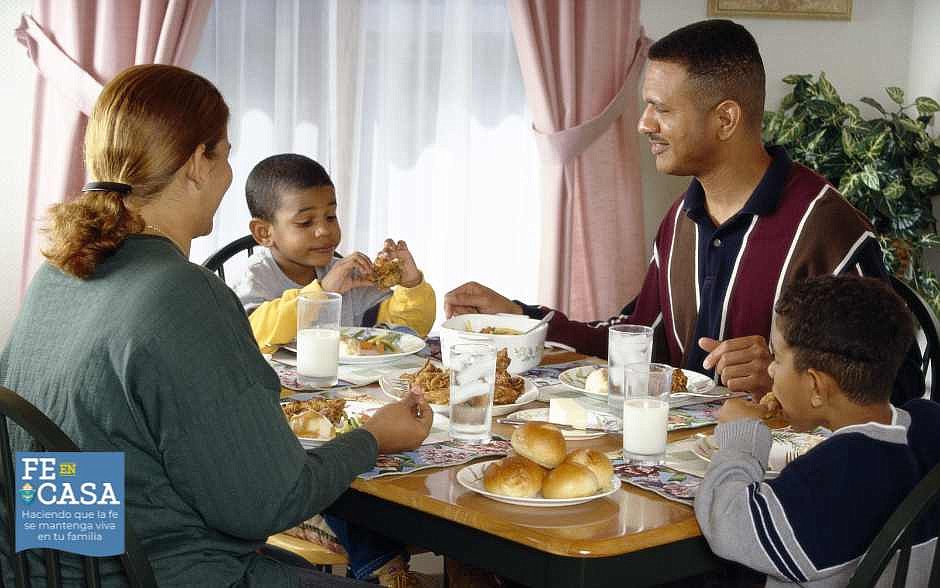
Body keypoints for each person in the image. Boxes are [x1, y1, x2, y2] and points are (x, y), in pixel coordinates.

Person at [0, 64, 432, 587]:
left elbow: (77, 463)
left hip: (51, 569)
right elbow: (267, 502)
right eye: (225, 154)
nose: (228, 174)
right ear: (196, 165)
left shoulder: (60, 274)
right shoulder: (181, 292)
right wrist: (371, 438)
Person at [443, 19, 923, 405]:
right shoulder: (682, 218)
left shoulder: (826, 229)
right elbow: (641, 340)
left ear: (726, 118)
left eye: (661, 110)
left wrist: (780, 368)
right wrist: (522, 318)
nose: (642, 124)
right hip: (685, 465)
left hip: (782, 486)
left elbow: (898, 394)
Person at [695, 275, 940, 586]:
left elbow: (728, 524)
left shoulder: (840, 472)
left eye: (778, 359)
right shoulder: (927, 425)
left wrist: (740, 439)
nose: (770, 370)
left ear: (815, 386)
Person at [234, 153, 436, 354]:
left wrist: (411, 285)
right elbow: (251, 334)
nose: (324, 230)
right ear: (264, 232)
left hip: (346, 385)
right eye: (305, 222)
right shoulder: (256, 277)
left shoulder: (345, 275)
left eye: (330, 217)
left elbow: (407, 332)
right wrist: (322, 292)